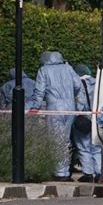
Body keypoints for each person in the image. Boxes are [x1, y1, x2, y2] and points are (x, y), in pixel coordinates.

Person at [31, 51, 81, 181]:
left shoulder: (44, 70)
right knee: (65, 139)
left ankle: (60, 172)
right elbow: (78, 85)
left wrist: (35, 107)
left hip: (54, 108)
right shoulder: (68, 68)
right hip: (70, 108)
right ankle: (64, 171)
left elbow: (39, 91)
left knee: (55, 139)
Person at [72, 64, 102, 183]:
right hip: (97, 117)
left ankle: (88, 174)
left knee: (83, 147)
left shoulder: (77, 84)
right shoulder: (97, 82)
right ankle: (99, 172)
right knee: (96, 146)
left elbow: (80, 103)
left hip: (83, 118)